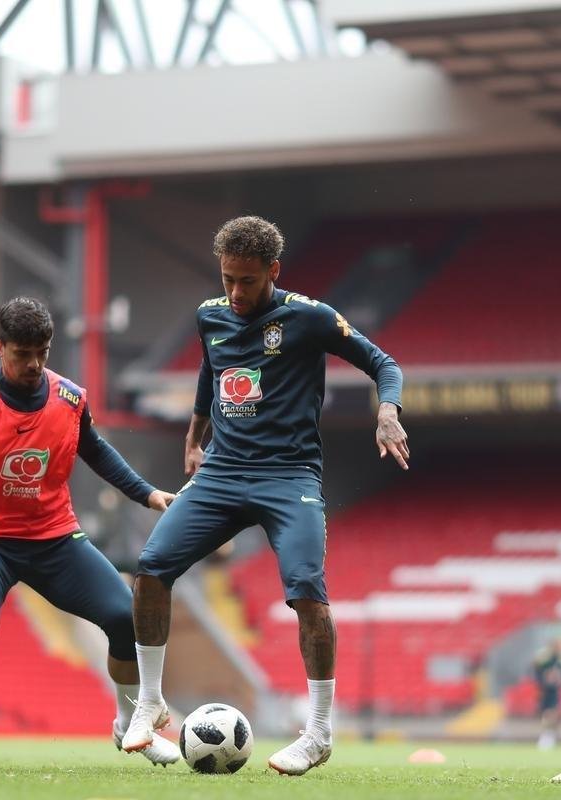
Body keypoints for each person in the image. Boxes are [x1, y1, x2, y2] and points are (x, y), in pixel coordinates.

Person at [120, 216, 408, 776]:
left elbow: (383, 363)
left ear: (273, 271)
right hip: (222, 474)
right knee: (151, 569)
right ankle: (150, 704)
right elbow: (211, 370)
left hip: (289, 476)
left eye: (246, 281)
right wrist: (194, 437)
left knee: (306, 591)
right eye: (227, 278)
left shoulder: (309, 317)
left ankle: (320, 729)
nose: (235, 292)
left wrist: (389, 414)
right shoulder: (211, 316)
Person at [0, 297, 180, 769]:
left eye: (42, 353)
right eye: (22, 353)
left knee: (123, 617)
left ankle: (128, 725)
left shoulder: (70, 398)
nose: (33, 364)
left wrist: (148, 494)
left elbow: (97, 452)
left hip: (55, 537)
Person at [533, 638, 561, 750]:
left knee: (553, 713)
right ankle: (546, 736)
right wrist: (544, 679)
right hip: (545, 690)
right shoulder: (544, 658)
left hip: (555, 690)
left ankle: (550, 736)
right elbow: (537, 670)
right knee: (547, 713)